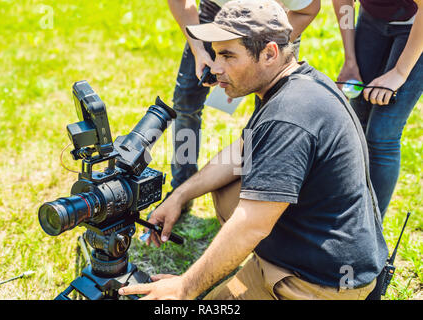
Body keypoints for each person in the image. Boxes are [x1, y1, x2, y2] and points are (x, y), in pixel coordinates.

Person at [119, 0, 388, 300]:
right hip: (310, 250)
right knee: (228, 187)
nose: (215, 67)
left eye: (227, 55)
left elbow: (251, 225)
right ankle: (255, 267)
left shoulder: (289, 116)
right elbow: (241, 152)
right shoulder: (293, 83)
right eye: (215, 53)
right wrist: (180, 195)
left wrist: (184, 287)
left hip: (318, 282)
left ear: (270, 53)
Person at [167, 0, 322, 213]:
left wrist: (253, 63)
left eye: (227, 57)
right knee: (185, 102)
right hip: (215, 14)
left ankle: (259, 194)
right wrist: (199, 50)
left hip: (269, 27)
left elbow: (308, 9)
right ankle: (182, 185)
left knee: (268, 116)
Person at [332, 0, 423, 218]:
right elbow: (344, 3)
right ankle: (350, 219)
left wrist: (400, 73)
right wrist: (350, 59)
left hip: (416, 25)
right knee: (358, 122)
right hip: (373, 19)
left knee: (382, 135)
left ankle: (373, 232)